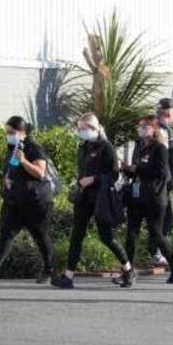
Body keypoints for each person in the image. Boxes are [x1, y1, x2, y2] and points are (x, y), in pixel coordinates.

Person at [52, 114, 134, 289]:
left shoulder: (106, 147)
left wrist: (94, 179)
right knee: (76, 236)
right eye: (80, 128)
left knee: (106, 237)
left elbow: (114, 174)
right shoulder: (83, 147)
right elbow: (82, 171)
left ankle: (128, 269)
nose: (81, 131)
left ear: (94, 128)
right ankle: (68, 276)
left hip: (100, 199)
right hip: (84, 198)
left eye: (84, 128)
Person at [0, 116, 54, 285]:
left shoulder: (34, 149)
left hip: (35, 201)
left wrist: (24, 161)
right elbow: (11, 169)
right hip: (15, 200)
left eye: (12, 132)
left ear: (23, 132)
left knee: (40, 235)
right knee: (6, 233)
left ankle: (49, 270)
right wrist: (6, 179)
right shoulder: (13, 149)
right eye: (7, 132)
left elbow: (40, 173)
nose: (9, 135)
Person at [121, 117, 173, 283]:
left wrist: (138, 168)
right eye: (140, 126)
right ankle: (128, 271)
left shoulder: (160, 148)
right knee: (131, 233)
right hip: (137, 196)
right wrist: (127, 169)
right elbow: (138, 172)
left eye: (145, 126)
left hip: (154, 198)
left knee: (156, 234)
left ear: (153, 128)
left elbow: (162, 173)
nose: (141, 129)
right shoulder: (141, 147)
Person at [148, 98, 173, 266]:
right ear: (168, 113)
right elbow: (170, 158)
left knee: (160, 219)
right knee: (164, 219)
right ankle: (157, 252)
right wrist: (172, 179)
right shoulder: (162, 130)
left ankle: (157, 252)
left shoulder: (157, 128)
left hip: (159, 182)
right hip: (162, 184)